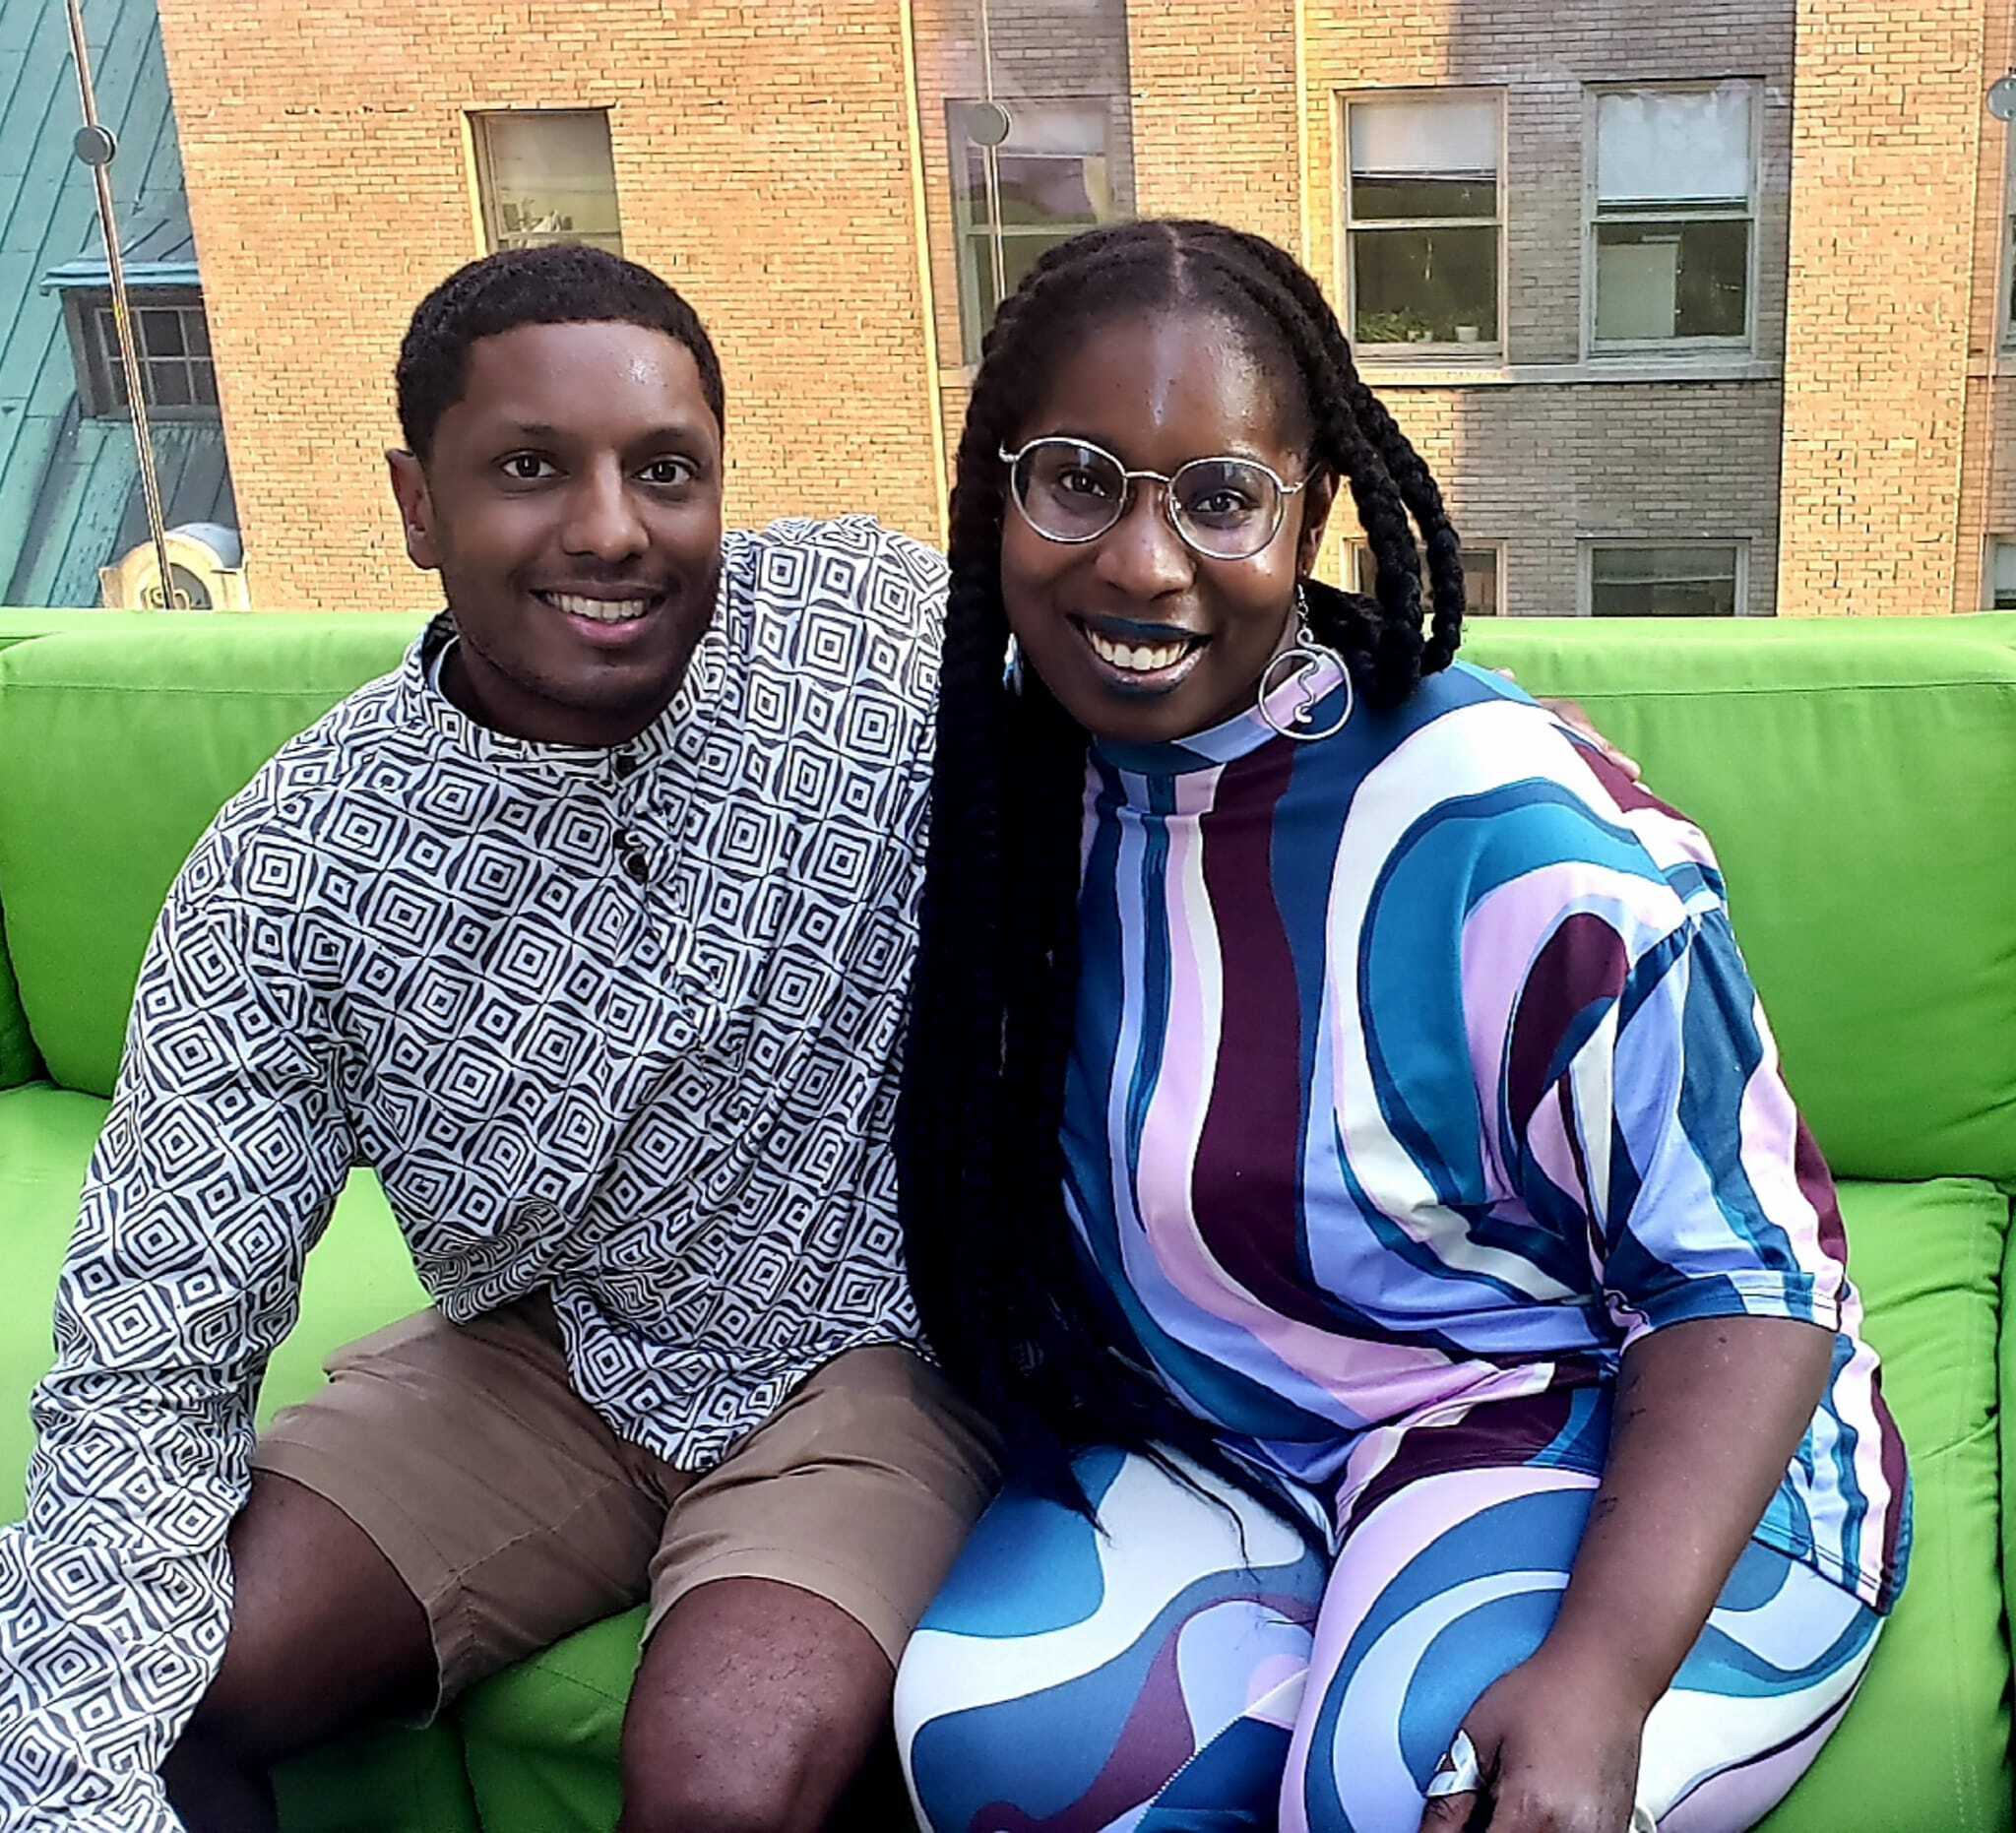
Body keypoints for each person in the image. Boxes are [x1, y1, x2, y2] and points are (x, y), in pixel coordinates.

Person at [892, 218, 1909, 1833]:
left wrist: (1602, 1675)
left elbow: (1751, 1278)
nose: (1143, 561)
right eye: (1078, 476)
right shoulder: (1012, 788)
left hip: (1603, 1419)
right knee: (994, 1739)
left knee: (1408, 1792)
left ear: (1312, 519)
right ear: (992, 490)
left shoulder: (1508, 831)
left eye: (1220, 495)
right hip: (1244, 1441)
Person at [0, 245, 1000, 1833]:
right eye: (532, 467)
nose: (610, 528)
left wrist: (1438, 712)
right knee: (144, 1674)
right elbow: (151, 1345)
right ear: (417, 502)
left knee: (728, 1780)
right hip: (544, 1351)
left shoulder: (862, 633)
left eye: (664, 470)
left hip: (859, 1347)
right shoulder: (299, 864)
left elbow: (1157, 634)